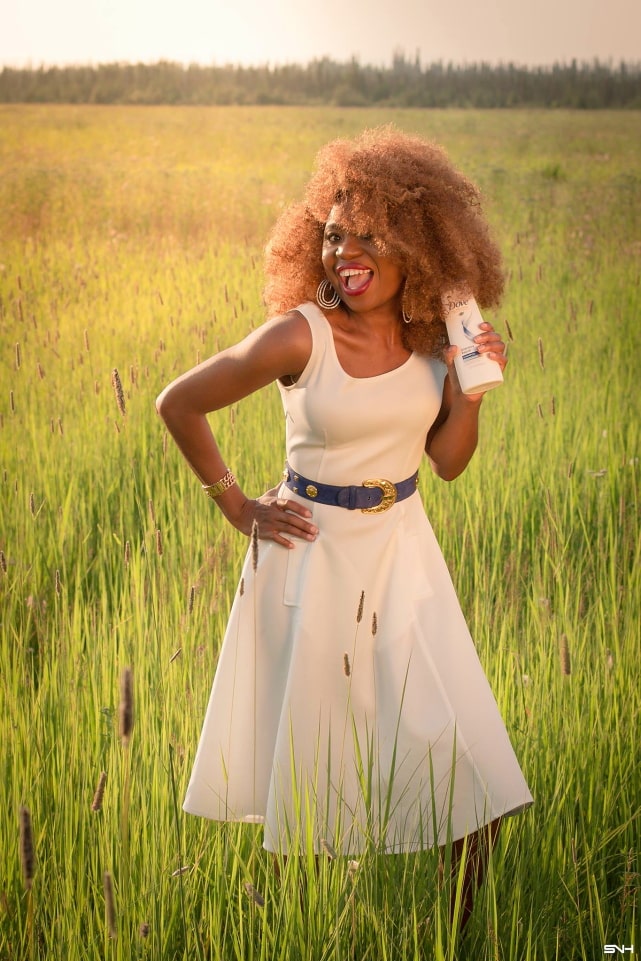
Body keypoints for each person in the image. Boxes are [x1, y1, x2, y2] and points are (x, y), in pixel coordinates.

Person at [156, 125, 533, 929]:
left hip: (405, 558)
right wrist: (237, 505)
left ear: (418, 248)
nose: (344, 253)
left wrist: (469, 390)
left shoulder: (436, 342)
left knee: (468, 761)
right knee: (319, 768)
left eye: (369, 235)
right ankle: (313, 926)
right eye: (332, 235)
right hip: (312, 561)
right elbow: (176, 402)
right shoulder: (301, 332)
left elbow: (449, 463)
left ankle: (458, 933)